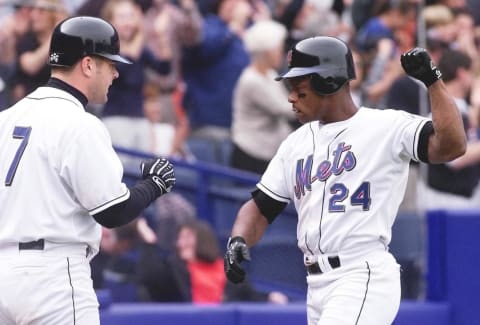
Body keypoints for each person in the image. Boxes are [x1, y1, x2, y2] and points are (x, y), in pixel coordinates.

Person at [224, 36, 466, 325]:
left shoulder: (385, 126)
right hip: (316, 284)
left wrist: (432, 82)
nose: (290, 97)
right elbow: (261, 206)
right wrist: (238, 238)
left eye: (299, 89)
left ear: (328, 82)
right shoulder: (294, 144)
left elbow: (451, 146)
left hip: (361, 272)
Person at [0, 16, 176, 325]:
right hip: (52, 275)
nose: (116, 72)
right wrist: (154, 184)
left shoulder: (7, 118)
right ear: (88, 65)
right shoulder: (79, 123)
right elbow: (113, 212)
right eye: (110, 64)